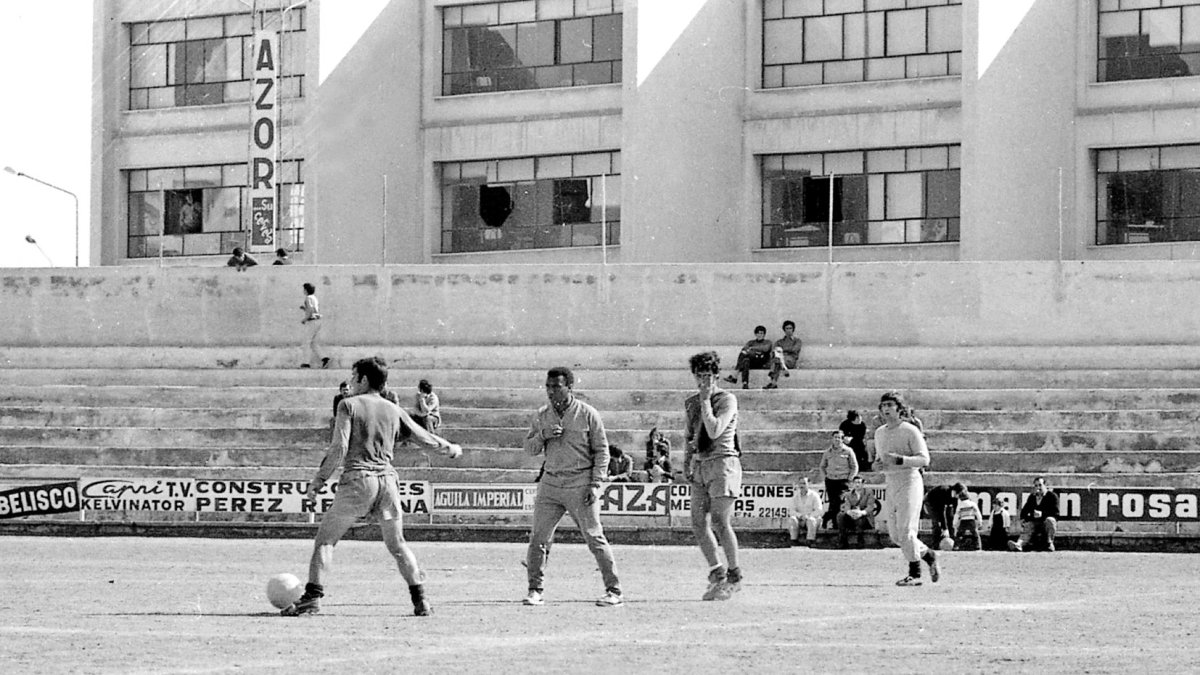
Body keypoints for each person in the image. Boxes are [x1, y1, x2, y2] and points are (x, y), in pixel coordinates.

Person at [281, 356, 463, 617]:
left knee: (325, 541)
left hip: (359, 480)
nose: (351, 382)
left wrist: (319, 480)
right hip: (387, 482)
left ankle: (312, 597)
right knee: (398, 544)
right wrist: (451, 449)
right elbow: (425, 438)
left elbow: (339, 448)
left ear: (364, 379)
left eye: (354, 376)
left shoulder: (348, 405)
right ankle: (421, 599)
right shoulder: (393, 410)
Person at [522, 367, 623, 607]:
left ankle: (614, 590)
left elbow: (602, 451)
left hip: (580, 482)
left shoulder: (588, 414)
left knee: (594, 537)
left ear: (569, 387)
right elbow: (530, 448)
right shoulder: (541, 415)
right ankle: (535, 589)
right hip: (550, 483)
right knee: (538, 538)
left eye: (556, 386)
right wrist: (543, 435)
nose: (551, 391)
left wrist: (596, 483)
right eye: (548, 386)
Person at [685, 351, 743, 601]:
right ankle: (717, 572)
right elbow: (689, 435)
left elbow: (714, 430)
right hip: (701, 464)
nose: (704, 381)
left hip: (723, 463)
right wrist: (686, 461)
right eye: (699, 376)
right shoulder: (691, 403)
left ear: (716, 376)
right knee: (698, 522)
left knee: (720, 520)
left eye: (708, 375)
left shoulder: (726, 399)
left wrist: (706, 400)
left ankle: (734, 574)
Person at [873, 391, 940, 586]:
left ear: (899, 409)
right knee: (896, 536)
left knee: (907, 531)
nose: (886, 409)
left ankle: (915, 574)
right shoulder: (879, 433)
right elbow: (879, 460)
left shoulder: (910, 430)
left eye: (890, 405)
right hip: (891, 482)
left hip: (910, 481)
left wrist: (901, 460)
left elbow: (924, 459)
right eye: (883, 405)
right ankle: (928, 555)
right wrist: (877, 465)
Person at [817, 430, 858, 530]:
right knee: (833, 503)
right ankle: (835, 525)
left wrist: (850, 478)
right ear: (832, 439)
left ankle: (833, 521)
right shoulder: (827, 452)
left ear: (842, 439)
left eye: (839, 437)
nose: (837, 439)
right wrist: (825, 477)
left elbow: (854, 466)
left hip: (843, 480)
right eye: (835, 437)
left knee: (841, 502)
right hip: (831, 480)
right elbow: (822, 466)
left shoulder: (848, 451)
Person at [1009, 476, 1058, 552]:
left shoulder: (1052, 496)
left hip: (1046, 523)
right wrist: (1024, 519)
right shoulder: (1032, 497)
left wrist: (1042, 514)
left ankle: (1049, 544)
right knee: (1028, 525)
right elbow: (1024, 511)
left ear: (1045, 485)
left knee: (1050, 520)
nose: (1038, 487)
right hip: (1035, 523)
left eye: (1040, 485)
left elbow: (1056, 513)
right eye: (1036, 485)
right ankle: (1019, 545)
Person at [722, 325, 774, 390]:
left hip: (762, 362)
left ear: (764, 334)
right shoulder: (751, 342)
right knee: (745, 360)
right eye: (758, 333)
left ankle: (735, 375)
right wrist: (753, 351)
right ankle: (745, 383)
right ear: (755, 334)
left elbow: (765, 349)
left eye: (762, 333)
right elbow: (744, 349)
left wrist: (752, 349)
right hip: (752, 363)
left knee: (746, 354)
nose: (760, 335)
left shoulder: (767, 342)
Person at [837, 475, 878, 548]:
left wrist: (861, 513)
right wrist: (850, 512)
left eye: (859, 482)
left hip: (865, 518)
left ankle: (860, 540)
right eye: (855, 483)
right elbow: (846, 506)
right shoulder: (848, 494)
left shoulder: (869, 492)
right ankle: (842, 540)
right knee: (840, 515)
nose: (857, 485)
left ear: (863, 484)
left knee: (860, 519)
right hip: (852, 516)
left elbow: (870, 506)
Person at [786, 474, 823, 546]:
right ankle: (794, 540)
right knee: (792, 519)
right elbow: (791, 511)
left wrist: (808, 516)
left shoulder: (814, 495)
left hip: (813, 520)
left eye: (804, 483)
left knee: (811, 520)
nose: (802, 486)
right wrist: (800, 516)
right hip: (800, 520)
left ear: (808, 484)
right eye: (800, 483)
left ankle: (810, 541)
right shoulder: (795, 496)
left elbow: (819, 510)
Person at [765, 319, 802, 389]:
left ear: (793, 329)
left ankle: (772, 373)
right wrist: (782, 351)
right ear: (784, 330)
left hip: (790, 360)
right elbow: (774, 350)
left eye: (790, 328)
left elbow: (794, 349)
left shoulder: (797, 341)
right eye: (787, 328)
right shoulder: (779, 341)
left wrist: (782, 349)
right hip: (779, 360)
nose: (789, 330)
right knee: (777, 360)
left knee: (777, 360)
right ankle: (774, 383)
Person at [299, 282, 329, 370]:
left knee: (306, 342)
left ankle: (306, 363)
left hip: (312, 321)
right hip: (318, 321)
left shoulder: (308, 298)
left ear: (306, 290)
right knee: (313, 343)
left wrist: (305, 319)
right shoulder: (314, 298)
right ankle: (324, 358)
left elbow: (311, 311)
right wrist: (305, 309)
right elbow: (314, 309)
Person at [952, 487, 983, 551]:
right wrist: (980, 521)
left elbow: (957, 514)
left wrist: (954, 523)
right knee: (975, 534)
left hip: (963, 521)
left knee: (959, 534)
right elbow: (977, 513)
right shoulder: (973, 504)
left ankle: (956, 546)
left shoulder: (960, 505)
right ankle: (978, 546)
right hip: (971, 520)